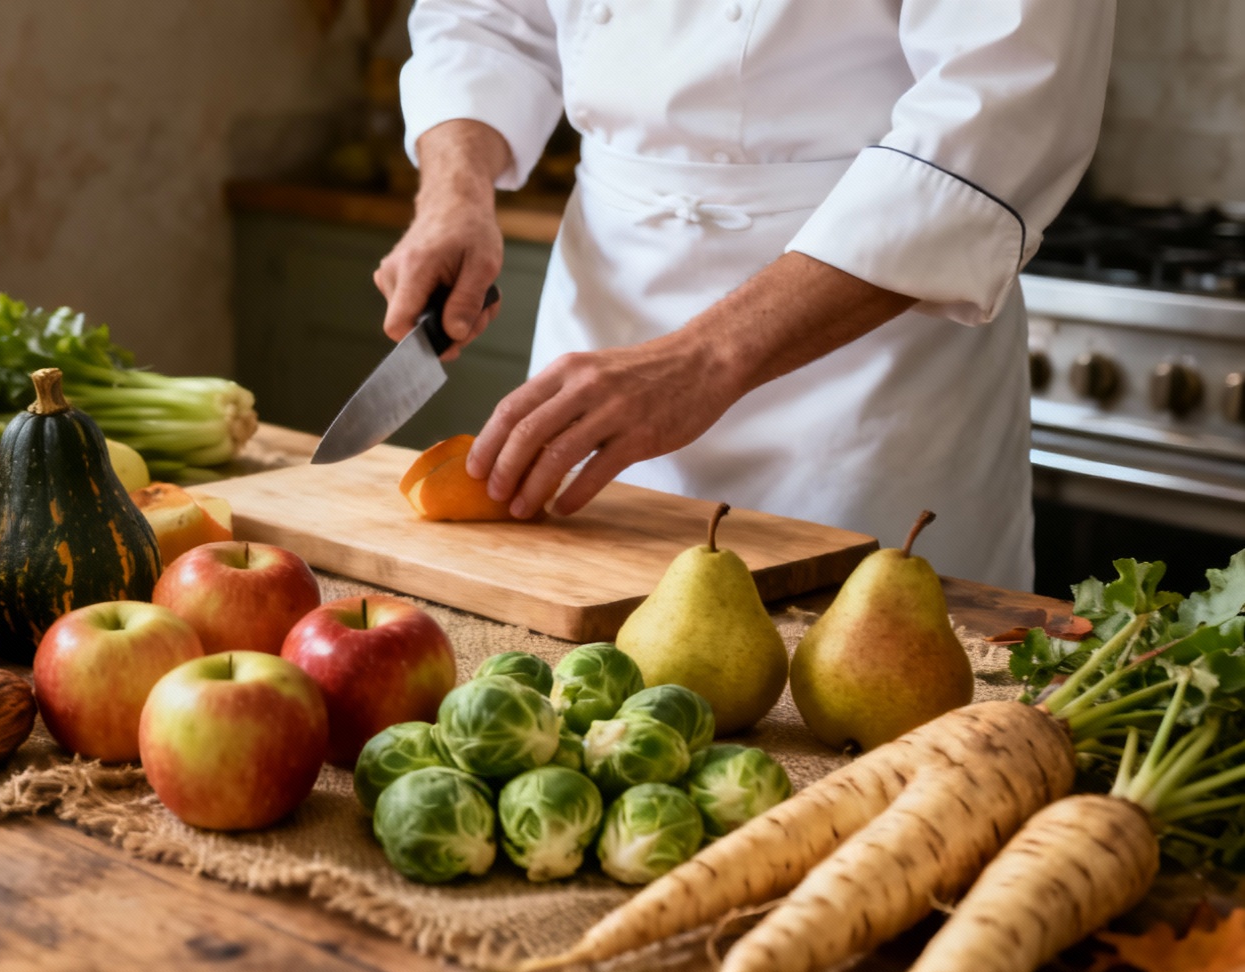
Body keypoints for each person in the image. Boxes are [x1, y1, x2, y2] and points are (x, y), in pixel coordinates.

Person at [374, 0, 1115, 590]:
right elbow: (485, 17)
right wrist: (454, 191)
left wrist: (702, 361)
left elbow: (998, 113)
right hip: (601, 318)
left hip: (867, 372)